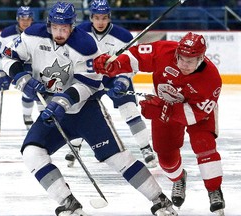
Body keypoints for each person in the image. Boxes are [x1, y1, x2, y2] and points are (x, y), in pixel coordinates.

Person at [1, 2, 177, 216]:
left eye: (64, 28)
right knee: (31, 152)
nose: (59, 33)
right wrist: (21, 78)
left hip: (86, 112)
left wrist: (62, 102)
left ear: (72, 26)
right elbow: (9, 57)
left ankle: (160, 200)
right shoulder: (32, 35)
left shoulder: (85, 44)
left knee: (117, 158)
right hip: (52, 114)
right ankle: (67, 203)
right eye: (55, 27)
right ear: (48, 25)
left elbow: (90, 84)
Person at [93, 32, 225, 215]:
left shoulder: (212, 79)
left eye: (191, 60)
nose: (185, 64)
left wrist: (164, 111)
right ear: (177, 52)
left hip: (195, 113)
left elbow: (197, 114)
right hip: (164, 104)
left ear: (201, 58)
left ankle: (214, 190)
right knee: (166, 158)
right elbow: (135, 56)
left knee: (204, 145)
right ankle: (179, 179)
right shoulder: (165, 51)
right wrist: (114, 66)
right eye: (182, 58)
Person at [65, 0, 157, 168]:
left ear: (109, 18)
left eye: (104, 18)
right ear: (91, 17)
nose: (100, 22)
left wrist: (123, 79)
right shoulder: (78, 33)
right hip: (89, 77)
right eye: (97, 18)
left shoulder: (123, 36)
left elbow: (133, 61)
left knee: (129, 110)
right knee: (80, 109)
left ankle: (146, 147)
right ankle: (75, 146)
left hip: (116, 77)